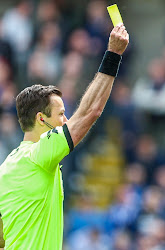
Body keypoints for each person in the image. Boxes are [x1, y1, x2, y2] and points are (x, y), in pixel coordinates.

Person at [0, 24, 129, 250]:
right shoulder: (39, 154)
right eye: (61, 114)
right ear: (41, 119)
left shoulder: (7, 167)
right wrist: (113, 55)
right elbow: (90, 112)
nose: (66, 121)